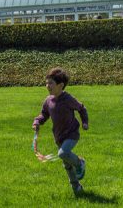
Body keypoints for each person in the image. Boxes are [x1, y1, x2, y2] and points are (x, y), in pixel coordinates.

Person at [32, 67, 89, 195]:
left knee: (63, 153)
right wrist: (37, 122)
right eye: (46, 83)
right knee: (67, 165)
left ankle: (80, 162)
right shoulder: (48, 100)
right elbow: (44, 115)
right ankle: (77, 188)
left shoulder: (68, 99)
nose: (47, 86)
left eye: (51, 83)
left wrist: (84, 122)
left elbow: (81, 108)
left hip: (71, 134)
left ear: (61, 85)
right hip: (59, 137)